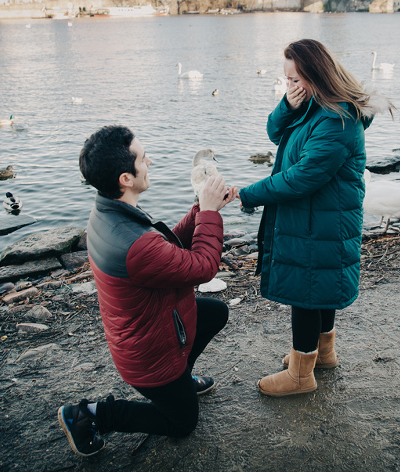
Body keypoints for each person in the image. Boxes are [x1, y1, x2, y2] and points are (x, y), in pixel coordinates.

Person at [58, 125, 236, 456]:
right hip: (148, 357)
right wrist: (209, 213)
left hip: (150, 329)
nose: (150, 162)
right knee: (183, 424)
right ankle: (88, 415)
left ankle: (181, 382)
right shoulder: (132, 242)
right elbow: (202, 267)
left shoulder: (109, 210)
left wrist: (203, 209)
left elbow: (169, 251)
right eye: (143, 157)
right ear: (126, 178)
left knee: (215, 313)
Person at [238, 39, 376, 397]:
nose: (291, 86)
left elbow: (301, 178)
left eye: (295, 80)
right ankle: (323, 353)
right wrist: (287, 104)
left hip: (321, 220)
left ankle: (301, 374)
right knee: (321, 287)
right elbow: (274, 133)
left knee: (307, 292)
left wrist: (247, 194)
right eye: (286, 80)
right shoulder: (313, 104)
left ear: (316, 75)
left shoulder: (336, 120)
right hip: (319, 218)